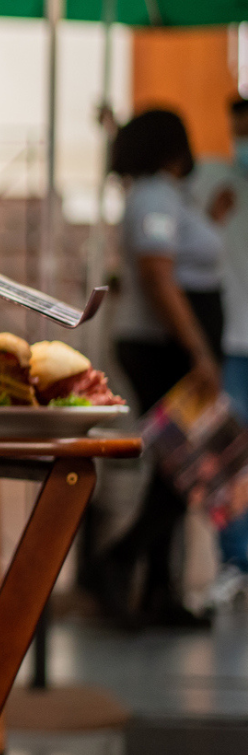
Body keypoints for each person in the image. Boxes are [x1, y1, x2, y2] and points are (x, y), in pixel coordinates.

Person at [92, 109, 229, 628]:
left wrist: (210, 220)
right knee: (187, 469)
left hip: (165, 347)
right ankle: (117, 562)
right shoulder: (151, 196)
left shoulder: (165, 198)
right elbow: (156, 274)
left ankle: (156, 589)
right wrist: (198, 351)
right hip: (160, 348)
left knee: (179, 468)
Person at [190, 98, 248, 591]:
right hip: (231, 340)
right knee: (229, 457)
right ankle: (235, 562)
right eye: (238, 131)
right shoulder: (212, 181)